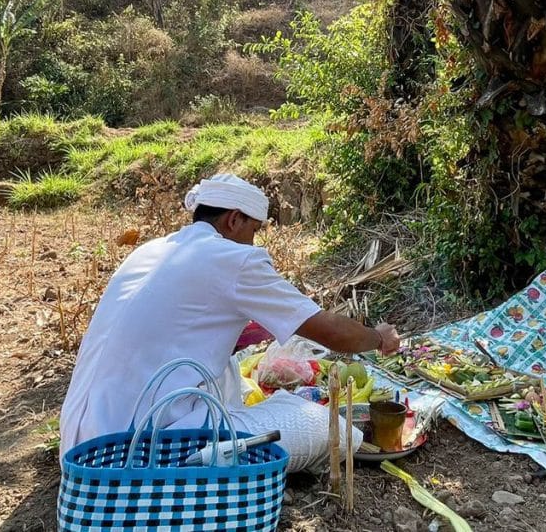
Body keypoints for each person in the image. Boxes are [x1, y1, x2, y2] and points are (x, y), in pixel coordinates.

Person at [59, 173, 400, 473]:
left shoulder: (151, 250)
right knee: (335, 431)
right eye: (254, 230)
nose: (254, 241)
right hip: (138, 454)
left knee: (228, 365)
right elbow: (329, 331)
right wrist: (377, 337)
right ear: (234, 220)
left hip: (83, 443)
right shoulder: (233, 259)